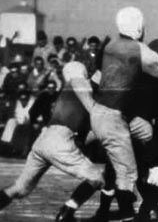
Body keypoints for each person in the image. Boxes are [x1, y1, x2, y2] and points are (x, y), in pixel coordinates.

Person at [88, 6, 158, 220]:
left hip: (99, 112)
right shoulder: (143, 51)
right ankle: (142, 204)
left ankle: (108, 208)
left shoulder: (111, 46)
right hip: (114, 117)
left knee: (121, 165)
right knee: (129, 173)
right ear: (139, 28)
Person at [0, 62, 103, 222]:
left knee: (19, 188)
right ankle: (67, 212)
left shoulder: (69, 92)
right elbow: (90, 83)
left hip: (43, 140)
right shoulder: (80, 85)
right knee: (97, 178)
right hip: (60, 140)